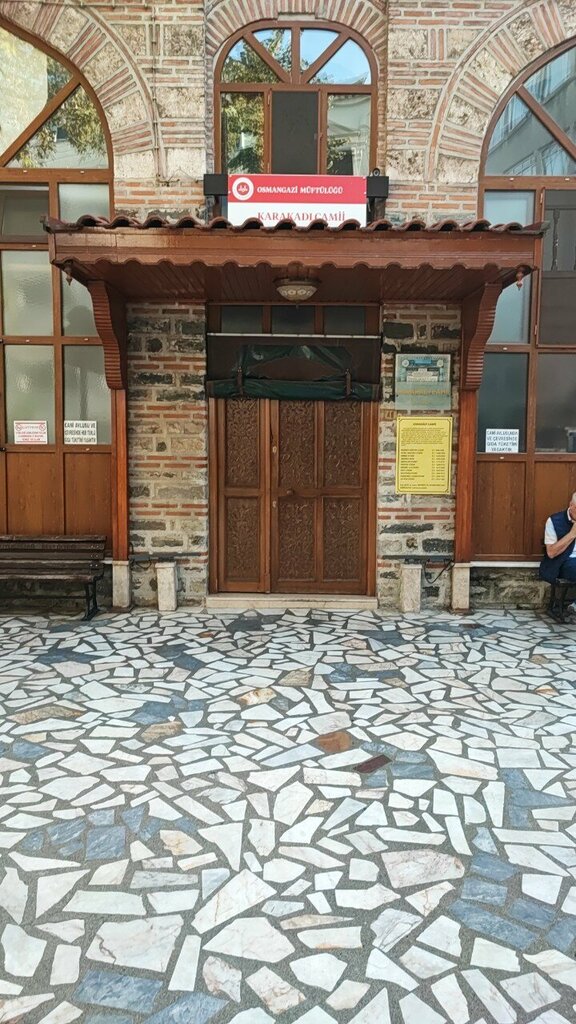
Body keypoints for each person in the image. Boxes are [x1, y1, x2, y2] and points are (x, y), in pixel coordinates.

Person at [540, 493, 576, 589]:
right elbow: (551, 553)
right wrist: (572, 534)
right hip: (565, 561)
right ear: (571, 505)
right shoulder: (555, 521)